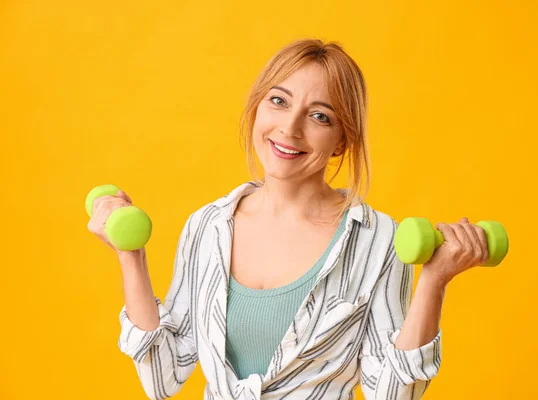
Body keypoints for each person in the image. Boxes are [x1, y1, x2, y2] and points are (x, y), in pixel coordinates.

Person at [89, 38, 489, 400]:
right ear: (258, 107)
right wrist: (131, 256)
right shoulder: (207, 226)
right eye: (278, 101)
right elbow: (162, 378)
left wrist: (434, 282)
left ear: (341, 143)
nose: (290, 128)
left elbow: (392, 395)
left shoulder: (379, 240)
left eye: (319, 117)